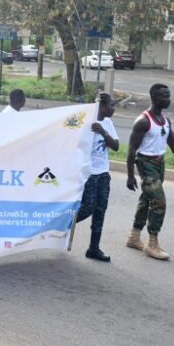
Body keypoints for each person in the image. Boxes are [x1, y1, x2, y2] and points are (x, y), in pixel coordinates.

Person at [125, 84, 174, 260]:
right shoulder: (143, 121)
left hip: (159, 164)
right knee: (159, 202)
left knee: (146, 200)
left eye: (169, 96)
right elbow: (131, 150)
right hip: (146, 164)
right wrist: (130, 175)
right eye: (164, 96)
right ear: (154, 97)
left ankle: (134, 237)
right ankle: (152, 243)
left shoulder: (165, 120)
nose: (168, 100)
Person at [75, 93, 119, 262]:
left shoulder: (107, 123)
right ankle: (64, 225)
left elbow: (115, 146)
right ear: (102, 106)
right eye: (111, 105)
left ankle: (93, 248)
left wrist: (103, 132)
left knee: (100, 210)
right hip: (90, 174)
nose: (113, 109)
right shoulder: (86, 123)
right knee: (88, 208)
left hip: (103, 174)